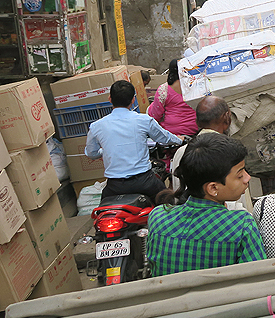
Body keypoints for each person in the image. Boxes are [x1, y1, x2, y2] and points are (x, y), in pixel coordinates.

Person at [147, 134, 265, 276]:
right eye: (239, 175)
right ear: (213, 188)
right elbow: (257, 280)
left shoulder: (158, 216)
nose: (248, 178)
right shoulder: (242, 224)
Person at [85, 80, 183, 202]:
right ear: (132, 100)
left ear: (110, 99)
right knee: (168, 201)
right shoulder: (144, 120)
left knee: (102, 212)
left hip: (114, 186)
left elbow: (91, 153)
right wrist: (180, 140)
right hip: (144, 182)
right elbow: (165, 138)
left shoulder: (96, 126)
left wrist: (103, 151)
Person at [171, 96, 231, 192]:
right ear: (226, 118)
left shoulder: (181, 152)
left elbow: (178, 190)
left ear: (197, 121)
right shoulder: (229, 152)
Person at [147, 59, 200, 137]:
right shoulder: (197, 87)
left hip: (171, 132)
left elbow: (155, 116)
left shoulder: (164, 89)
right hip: (195, 129)